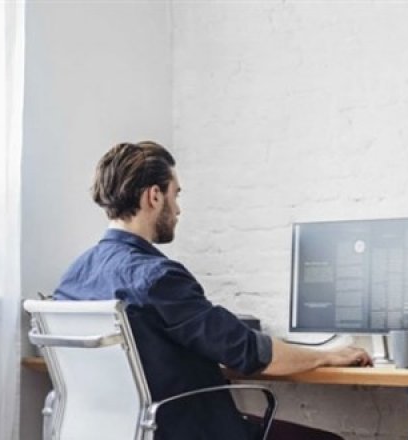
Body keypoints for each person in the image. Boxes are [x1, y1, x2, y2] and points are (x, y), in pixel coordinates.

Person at [54, 141, 372, 440]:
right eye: (176, 194)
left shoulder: (73, 278)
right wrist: (326, 356)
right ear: (154, 196)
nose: (178, 209)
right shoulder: (157, 278)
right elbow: (249, 353)